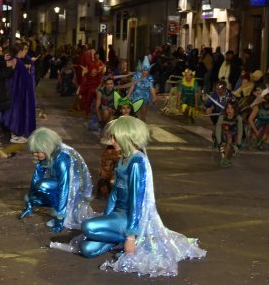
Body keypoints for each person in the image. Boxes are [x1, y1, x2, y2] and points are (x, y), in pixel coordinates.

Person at [76, 116, 206, 277]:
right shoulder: (123, 158)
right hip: (118, 215)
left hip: (131, 219)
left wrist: (131, 236)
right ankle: (118, 239)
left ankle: (127, 239)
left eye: (114, 137)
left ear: (126, 137)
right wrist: (107, 216)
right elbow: (115, 193)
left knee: (88, 227)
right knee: (86, 249)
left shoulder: (137, 162)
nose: (111, 141)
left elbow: (137, 202)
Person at [18, 127, 95, 233]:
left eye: (37, 151)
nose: (35, 154)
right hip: (60, 183)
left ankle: (66, 215)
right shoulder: (47, 155)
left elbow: (65, 188)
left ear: (46, 147)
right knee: (40, 186)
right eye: (33, 152)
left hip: (74, 189)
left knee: (43, 186)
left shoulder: (62, 159)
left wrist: (60, 217)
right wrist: (30, 204)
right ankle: (57, 208)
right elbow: (36, 178)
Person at [1, 42, 36, 143]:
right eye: (24, 50)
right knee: (16, 113)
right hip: (19, 92)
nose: (26, 52)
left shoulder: (17, 61)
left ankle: (17, 134)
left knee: (17, 113)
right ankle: (15, 134)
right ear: (20, 51)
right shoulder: (17, 61)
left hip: (19, 91)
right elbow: (22, 77)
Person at [126, 56, 156, 122]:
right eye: (144, 70)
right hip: (136, 94)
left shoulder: (150, 78)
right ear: (142, 70)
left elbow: (151, 88)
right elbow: (133, 86)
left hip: (145, 96)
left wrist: (154, 97)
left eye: (147, 70)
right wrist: (128, 94)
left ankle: (142, 122)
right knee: (134, 110)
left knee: (144, 110)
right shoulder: (137, 76)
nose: (146, 72)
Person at [214, 101, 244, 168]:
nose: (229, 110)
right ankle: (223, 159)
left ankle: (227, 158)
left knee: (233, 144)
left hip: (233, 135)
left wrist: (239, 143)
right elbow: (218, 129)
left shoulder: (238, 118)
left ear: (235, 109)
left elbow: (240, 131)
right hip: (221, 135)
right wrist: (219, 142)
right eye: (227, 108)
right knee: (228, 138)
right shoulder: (222, 116)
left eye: (231, 108)